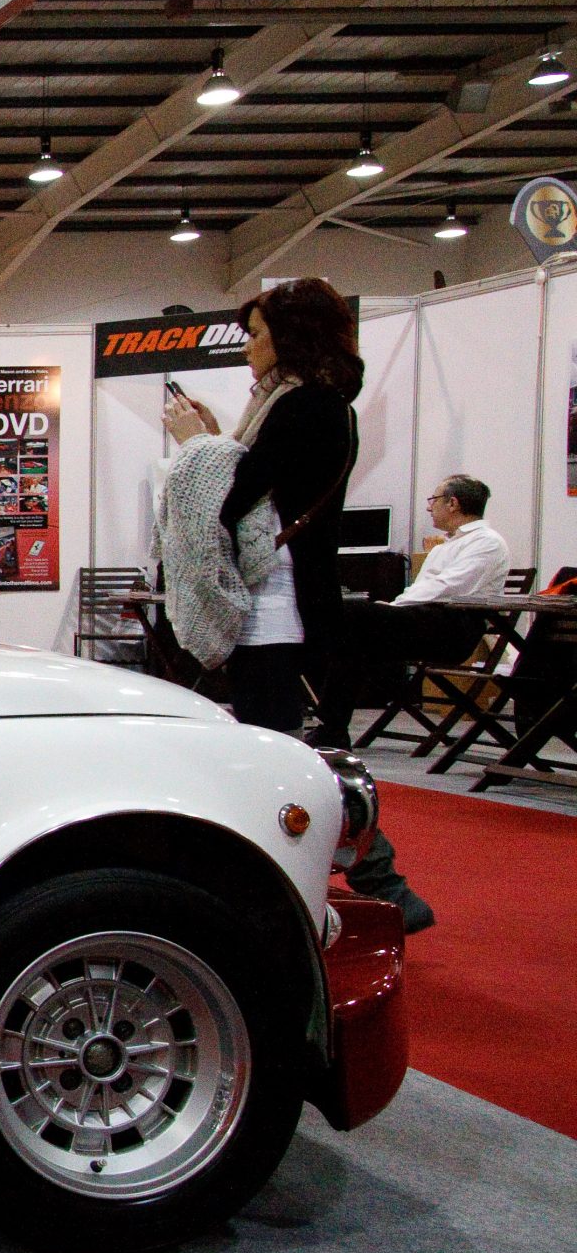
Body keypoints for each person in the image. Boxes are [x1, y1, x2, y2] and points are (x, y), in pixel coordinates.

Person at [164, 277, 433, 931]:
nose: (248, 348)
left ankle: (369, 883)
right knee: (286, 748)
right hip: (282, 601)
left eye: (257, 334)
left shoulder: (303, 406)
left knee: (280, 751)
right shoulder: (313, 405)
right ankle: (377, 882)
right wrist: (215, 441)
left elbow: (234, 497)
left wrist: (197, 447)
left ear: (291, 337)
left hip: (276, 605)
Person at [316, 474, 511, 747]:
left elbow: (448, 587)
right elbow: (425, 589)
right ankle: (331, 727)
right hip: (426, 619)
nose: (430, 507)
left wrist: (394, 607)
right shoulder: (447, 545)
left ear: (452, 503)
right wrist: (394, 608)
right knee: (351, 637)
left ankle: (329, 722)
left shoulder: (486, 542)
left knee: (352, 615)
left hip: (453, 628)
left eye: (434, 500)